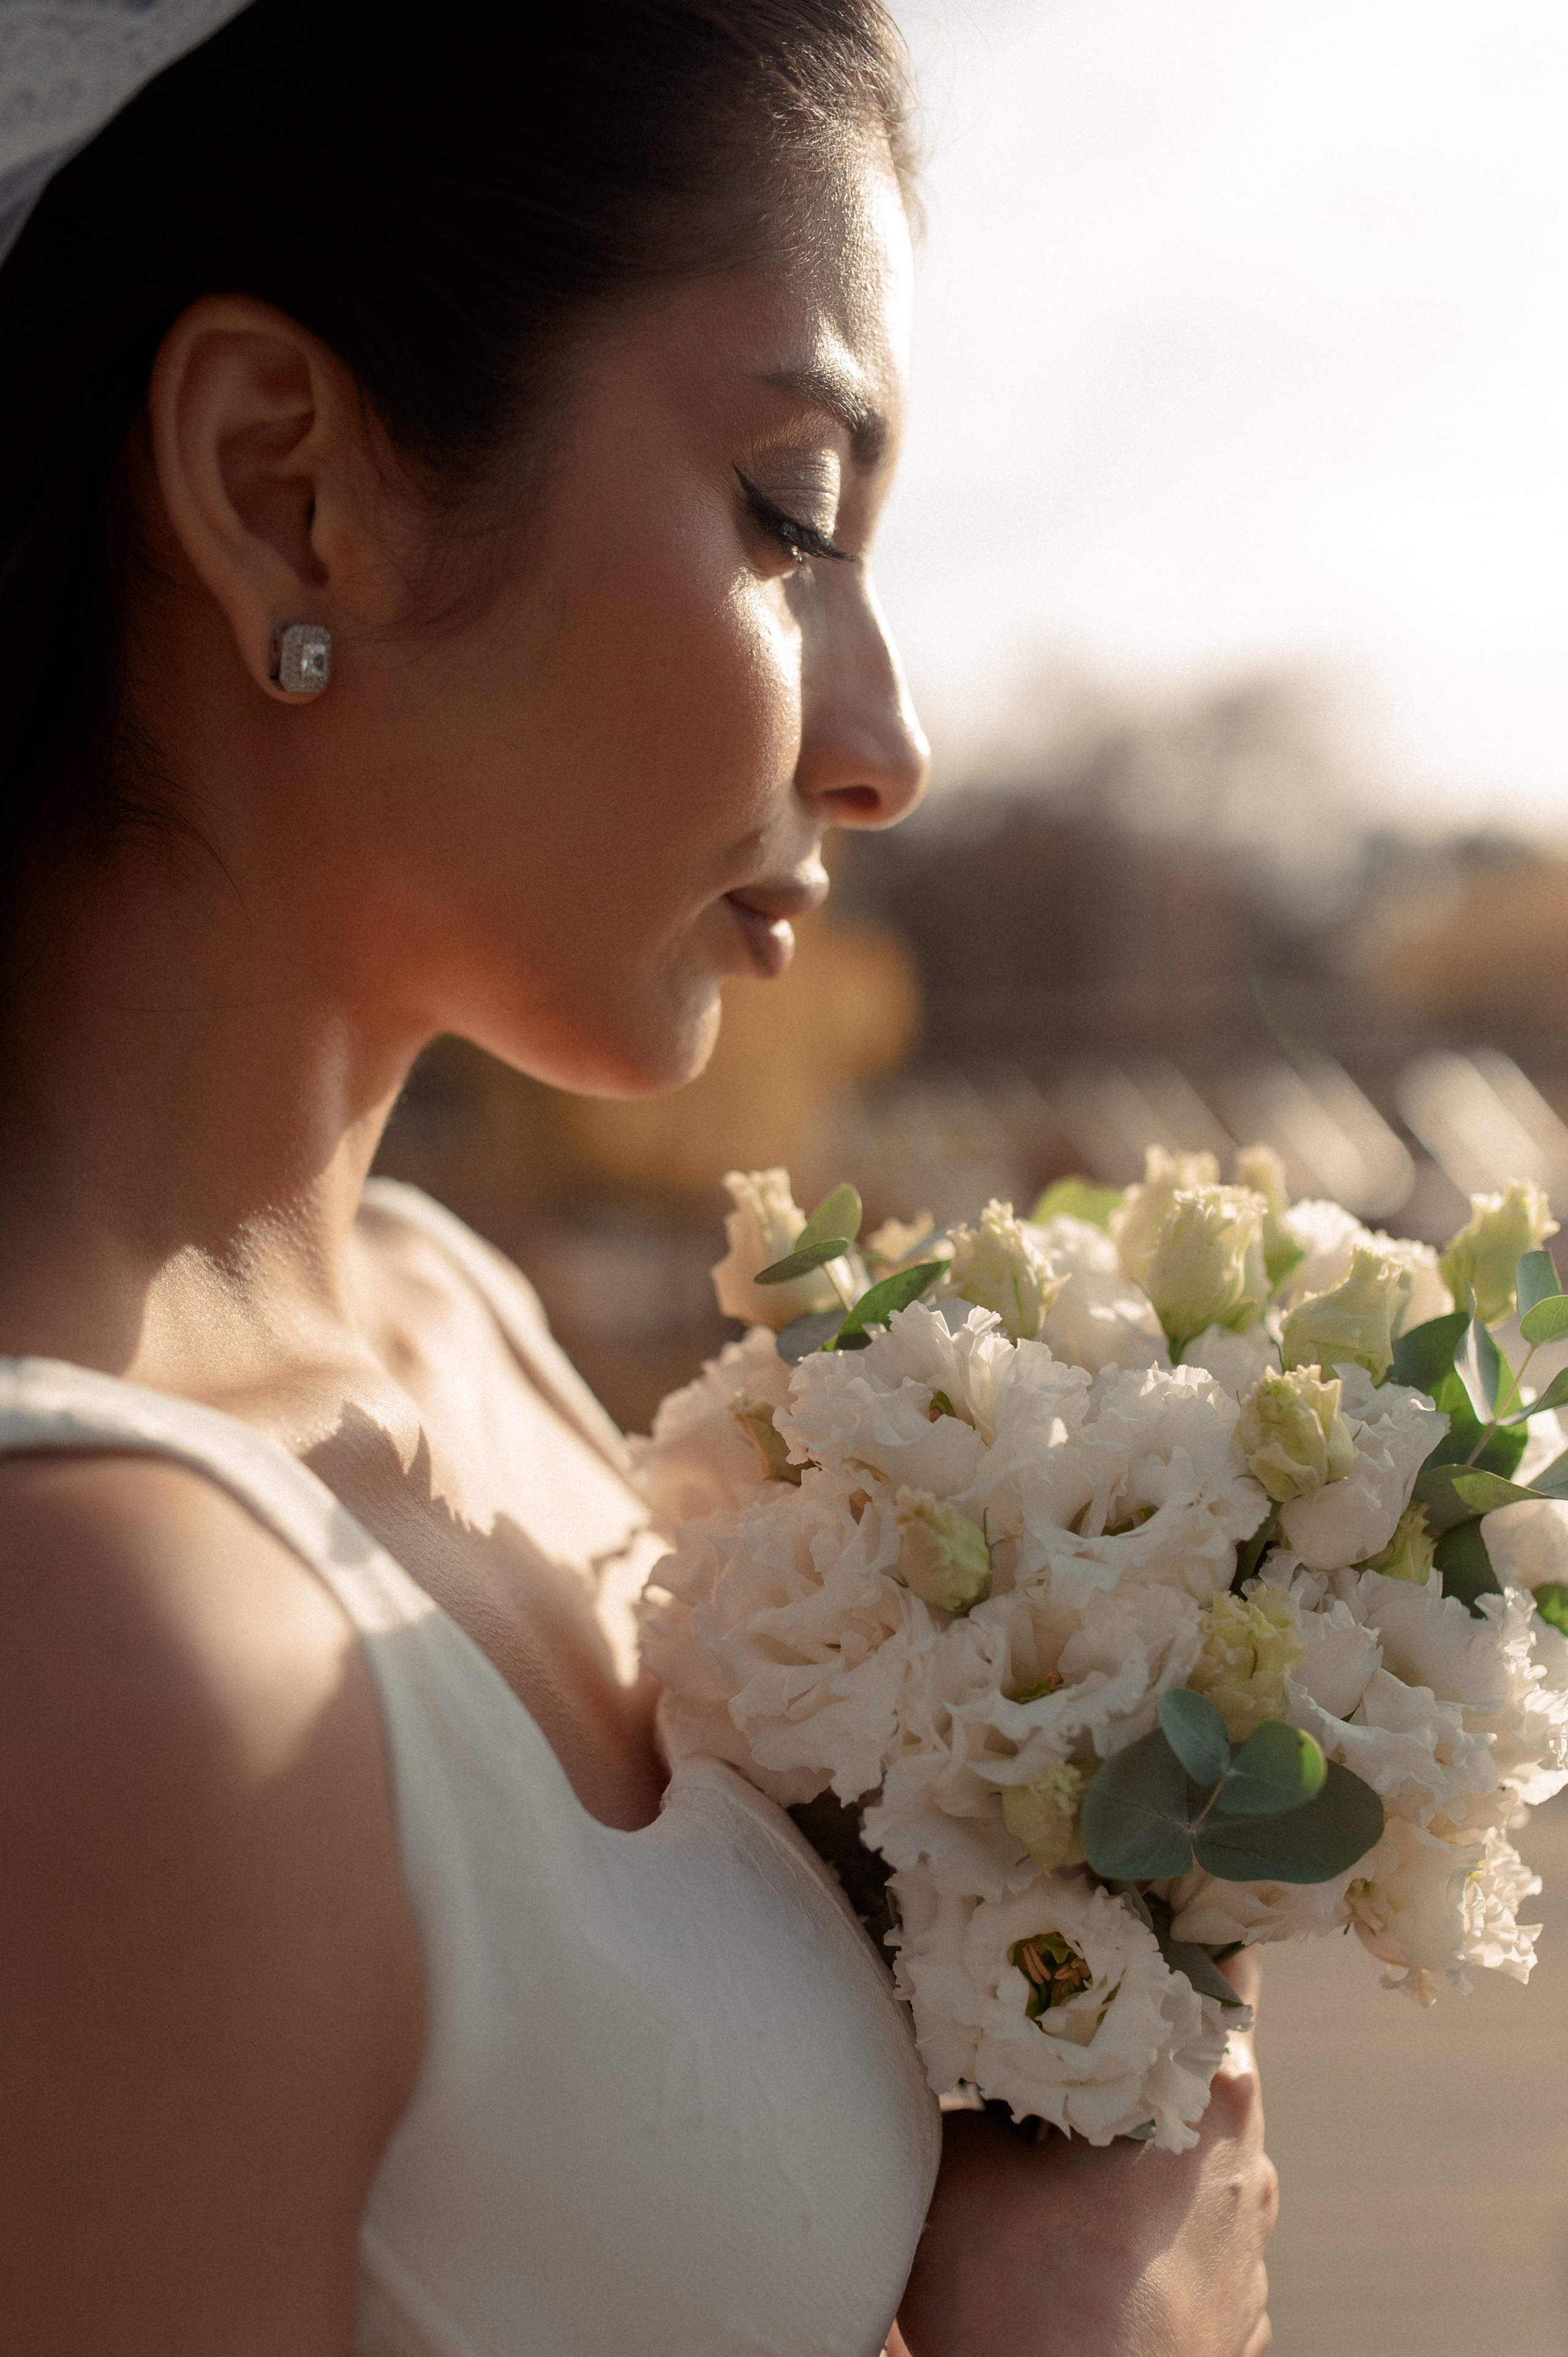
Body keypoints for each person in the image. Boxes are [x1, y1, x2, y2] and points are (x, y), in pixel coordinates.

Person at [0, 2, 1278, 2349]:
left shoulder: (450, 1323)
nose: (887, 744)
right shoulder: (106, 1664)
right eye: (792, 516)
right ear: (284, 485)